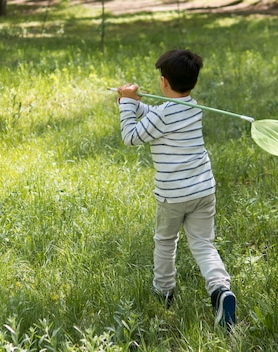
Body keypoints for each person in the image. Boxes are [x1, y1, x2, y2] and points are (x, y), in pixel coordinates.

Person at [115, 49, 236, 330]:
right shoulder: (193, 108)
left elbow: (131, 137)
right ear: (193, 83)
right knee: (203, 243)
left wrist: (125, 104)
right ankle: (220, 290)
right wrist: (135, 103)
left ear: (164, 82)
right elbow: (159, 115)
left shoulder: (163, 116)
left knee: (166, 241)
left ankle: (164, 291)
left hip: (173, 195)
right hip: (204, 190)